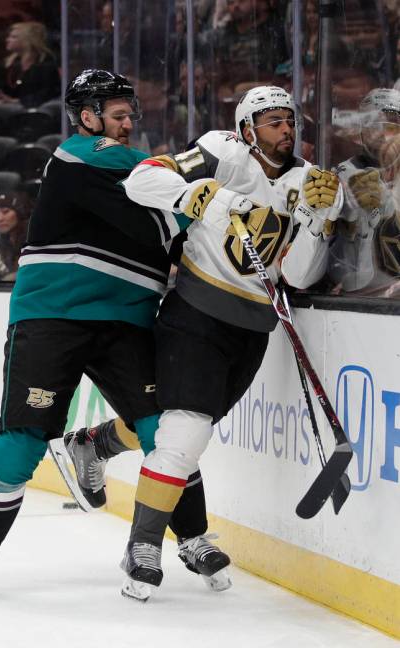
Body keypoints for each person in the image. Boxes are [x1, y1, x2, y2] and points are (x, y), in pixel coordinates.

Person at [0, 69, 230, 594]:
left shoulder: (149, 177)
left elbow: (179, 222)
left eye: (128, 115)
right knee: (21, 439)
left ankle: (190, 535)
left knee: (164, 432)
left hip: (128, 318)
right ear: (87, 116)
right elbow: (164, 197)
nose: (125, 124)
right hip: (54, 313)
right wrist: (216, 167)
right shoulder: (78, 156)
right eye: (116, 115)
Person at [119, 85, 343, 599]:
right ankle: (143, 545)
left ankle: (99, 443)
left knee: (184, 430)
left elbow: (302, 278)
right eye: (272, 121)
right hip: (195, 315)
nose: (286, 129)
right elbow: (140, 179)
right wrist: (193, 193)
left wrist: (315, 222)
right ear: (247, 129)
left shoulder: (310, 183)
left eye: (290, 120)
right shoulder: (221, 151)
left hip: (252, 330)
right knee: (184, 435)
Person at [329, 88, 400, 294]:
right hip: (360, 287)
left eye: (393, 126)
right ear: (361, 130)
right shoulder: (343, 175)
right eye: (376, 125)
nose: (384, 135)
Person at [0, 21, 60, 108]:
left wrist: (15, 101)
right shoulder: (10, 65)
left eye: (13, 37)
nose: (7, 39)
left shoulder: (45, 65)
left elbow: (47, 94)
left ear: (26, 40)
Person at [0, 192, 30, 281]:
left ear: (19, 213)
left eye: (5, 212)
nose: (0, 218)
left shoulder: (32, 237)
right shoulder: (2, 242)